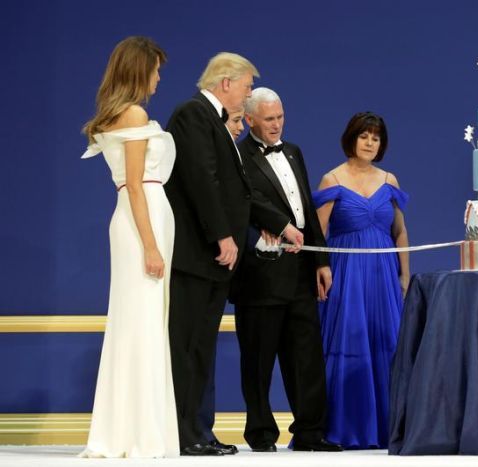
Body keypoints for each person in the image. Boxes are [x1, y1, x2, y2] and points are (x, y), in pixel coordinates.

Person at [165, 54, 304, 456]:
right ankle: (183, 432)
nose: (246, 95)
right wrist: (223, 235)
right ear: (226, 83)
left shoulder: (215, 122)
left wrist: (270, 227)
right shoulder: (193, 114)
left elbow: (234, 189)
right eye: (245, 87)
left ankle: (198, 431)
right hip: (198, 253)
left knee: (201, 348)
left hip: (213, 258)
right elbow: (202, 181)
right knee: (188, 346)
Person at [79, 36, 179, 458]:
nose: (158, 78)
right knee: (141, 323)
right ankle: (140, 432)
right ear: (139, 70)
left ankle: (130, 428)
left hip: (137, 219)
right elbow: (136, 186)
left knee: (138, 321)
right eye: (155, 69)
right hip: (142, 221)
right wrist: (151, 246)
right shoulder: (134, 113)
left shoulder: (117, 115)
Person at [231, 87, 342, 453]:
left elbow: (307, 211)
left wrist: (321, 260)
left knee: (306, 357)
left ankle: (310, 433)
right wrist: (280, 224)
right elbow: (248, 199)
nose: (277, 125)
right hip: (261, 275)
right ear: (250, 121)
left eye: (280, 117)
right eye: (268, 119)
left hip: (299, 273)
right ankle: (261, 435)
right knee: (259, 359)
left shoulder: (293, 151)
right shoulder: (238, 156)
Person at [313, 112, 409, 449]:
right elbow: (319, 232)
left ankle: (388, 428)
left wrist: (404, 275)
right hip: (345, 273)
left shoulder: (390, 180)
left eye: (376, 138)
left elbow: (400, 232)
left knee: (387, 344)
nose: (370, 143)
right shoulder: (332, 180)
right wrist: (319, 268)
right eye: (364, 136)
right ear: (351, 138)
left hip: (383, 275)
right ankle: (345, 428)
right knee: (348, 344)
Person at [196, 104, 247, 446]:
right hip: (207, 260)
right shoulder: (214, 157)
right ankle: (197, 429)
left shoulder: (232, 155)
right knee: (198, 351)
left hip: (225, 265)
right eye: (237, 120)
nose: (241, 126)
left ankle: (204, 429)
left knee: (206, 351)